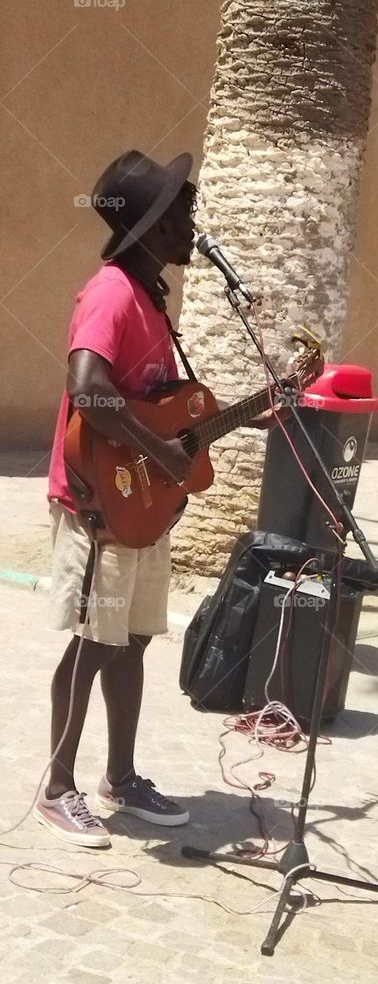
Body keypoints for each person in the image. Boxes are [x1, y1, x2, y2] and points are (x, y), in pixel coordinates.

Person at [36, 149, 202, 846]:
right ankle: (56, 785)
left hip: (142, 502)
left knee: (131, 640)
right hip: (99, 504)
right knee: (93, 643)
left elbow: (153, 402)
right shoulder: (110, 293)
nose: (193, 225)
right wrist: (161, 449)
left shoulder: (152, 297)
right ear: (150, 230)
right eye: (180, 215)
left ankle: (123, 778)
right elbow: (88, 386)